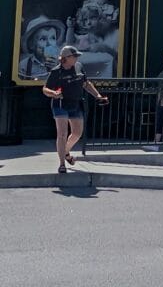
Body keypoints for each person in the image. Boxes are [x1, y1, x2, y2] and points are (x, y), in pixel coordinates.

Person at [41, 45, 108, 173]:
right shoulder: (56, 72)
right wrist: (53, 93)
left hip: (75, 104)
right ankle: (62, 164)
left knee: (77, 133)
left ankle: (66, 152)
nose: (77, 58)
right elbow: (45, 89)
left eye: (77, 56)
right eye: (74, 56)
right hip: (60, 104)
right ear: (65, 58)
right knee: (62, 134)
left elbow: (86, 84)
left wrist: (98, 96)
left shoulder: (79, 67)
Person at [18, 15, 66, 80]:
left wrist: (56, 69)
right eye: (43, 39)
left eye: (53, 38)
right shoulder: (24, 65)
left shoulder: (62, 64)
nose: (49, 43)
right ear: (31, 45)